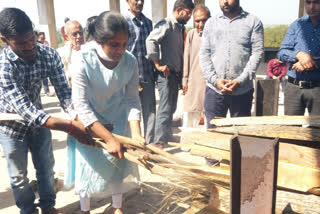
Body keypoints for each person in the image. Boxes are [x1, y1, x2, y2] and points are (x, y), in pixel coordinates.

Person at [0, 8, 94, 214]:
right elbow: (27, 112)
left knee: (45, 169)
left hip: (41, 123)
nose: (29, 46)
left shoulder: (48, 54)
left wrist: (78, 117)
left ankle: (48, 207)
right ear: (5, 40)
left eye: (31, 39)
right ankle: (28, 211)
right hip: (11, 128)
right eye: (21, 43)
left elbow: (64, 93)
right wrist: (71, 128)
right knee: (18, 176)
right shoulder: (4, 66)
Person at [64, 11, 145, 214]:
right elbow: (80, 104)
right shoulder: (82, 59)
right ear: (100, 41)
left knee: (117, 167)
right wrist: (108, 138)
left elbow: (132, 99)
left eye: (125, 44)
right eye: (114, 45)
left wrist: (136, 134)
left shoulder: (131, 61)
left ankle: (117, 207)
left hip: (117, 117)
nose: (120, 50)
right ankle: (85, 209)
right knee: (87, 167)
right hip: (89, 121)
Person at [199, 0, 264, 128]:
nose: (225, 2)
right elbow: (204, 54)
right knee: (213, 135)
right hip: (215, 91)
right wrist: (215, 80)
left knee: (240, 136)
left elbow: (257, 53)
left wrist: (240, 80)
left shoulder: (253, 22)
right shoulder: (211, 23)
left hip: (242, 91)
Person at [146, 0, 195, 148]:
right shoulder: (166, 24)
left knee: (172, 107)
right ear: (179, 10)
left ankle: (166, 135)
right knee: (165, 108)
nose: (189, 17)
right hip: (165, 75)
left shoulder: (179, 28)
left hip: (175, 75)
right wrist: (157, 65)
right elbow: (150, 40)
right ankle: (158, 142)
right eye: (188, 13)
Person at [277, 0, 320, 116]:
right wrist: (299, 55)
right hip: (294, 88)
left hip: (318, 89)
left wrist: (309, 63)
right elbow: (281, 52)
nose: (311, 7)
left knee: (316, 131)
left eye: (316, 2)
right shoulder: (296, 25)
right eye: (308, 2)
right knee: (290, 130)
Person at [124, 0, 156, 145]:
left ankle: (148, 145)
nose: (139, 2)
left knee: (150, 113)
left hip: (147, 75)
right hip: (128, 78)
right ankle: (133, 143)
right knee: (130, 113)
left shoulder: (148, 23)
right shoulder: (122, 22)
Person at [182, 4, 210, 128]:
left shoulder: (215, 34)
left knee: (210, 115)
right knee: (191, 116)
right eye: (197, 21)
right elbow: (186, 58)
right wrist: (185, 80)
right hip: (194, 81)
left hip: (210, 82)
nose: (201, 24)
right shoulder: (191, 35)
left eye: (204, 20)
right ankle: (188, 144)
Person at [57, 20, 84, 87]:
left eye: (80, 33)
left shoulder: (91, 52)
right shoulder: (61, 54)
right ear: (66, 37)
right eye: (75, 34)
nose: (79, 36)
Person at [37, 31, 54, 96]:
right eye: (42, 38)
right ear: (39, 37)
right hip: (39, 62)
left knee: (45, 77)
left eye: (44, 37)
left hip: (45, 62)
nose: (43, 39)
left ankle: (47, 91)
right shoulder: (37, 43)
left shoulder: (46, 43)